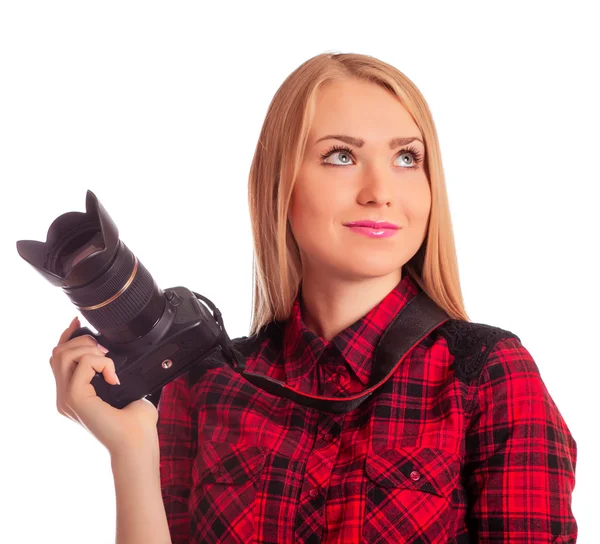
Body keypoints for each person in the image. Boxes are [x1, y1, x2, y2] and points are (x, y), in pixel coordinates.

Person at [50, 52, 578, 543]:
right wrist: (131, 450)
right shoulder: (209, 382)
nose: (380, 190)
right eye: (341, 156)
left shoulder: (487, 374)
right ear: (279, 185)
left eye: (406, 158)